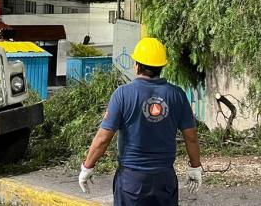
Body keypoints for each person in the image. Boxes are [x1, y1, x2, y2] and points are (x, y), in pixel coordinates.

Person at [78, 38, 203, 205]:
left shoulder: (122, 95)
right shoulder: (177, 95)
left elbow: (103, 139)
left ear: (137, 65)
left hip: (131, 181)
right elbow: (191, 137)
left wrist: (87, 167)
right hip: (164, 179)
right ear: (162, 66)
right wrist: (195, 167)